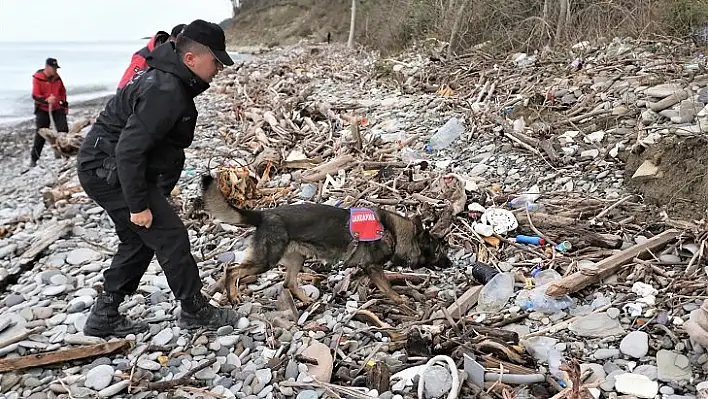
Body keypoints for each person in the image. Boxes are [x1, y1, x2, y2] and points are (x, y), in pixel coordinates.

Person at [76, 19, 237, 338]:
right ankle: (194, 310)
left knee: (139, 239)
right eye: (216, 61)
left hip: (107, 166)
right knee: (169, 235)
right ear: (191, 59)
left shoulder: (171, 82)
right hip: (108, 170)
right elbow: (128, 151)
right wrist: (139, 205)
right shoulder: (164, 90)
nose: (220, 68)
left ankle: (105, 313)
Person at [116, 23, 186, 90]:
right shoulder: (143, 57)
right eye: (180, 44)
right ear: (171, 39)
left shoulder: (179, 56)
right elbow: (123, 86)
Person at [30, 57, 69, 167]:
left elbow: (63, 92)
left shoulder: (57, 78)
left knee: (63, 131)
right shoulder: (37, 78)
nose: (55, 71)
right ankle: (34, 159)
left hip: (57, 108)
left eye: (56, 68)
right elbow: (35, 95)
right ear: (47, 67)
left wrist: (64, 105)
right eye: (53, 68)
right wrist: (46, 100)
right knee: (41, 134)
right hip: (43, 109)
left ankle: (62, 153)